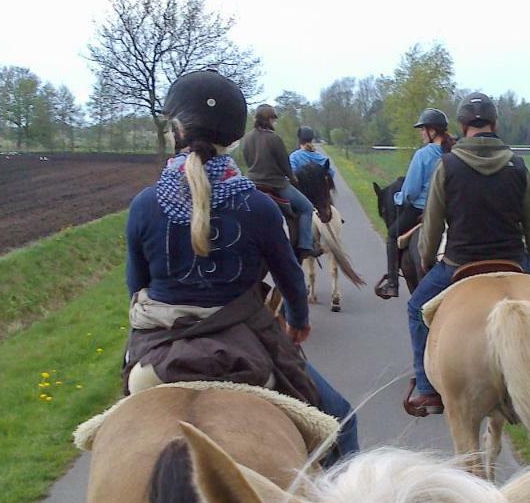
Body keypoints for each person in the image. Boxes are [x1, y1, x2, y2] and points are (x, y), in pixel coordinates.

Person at [124, 70, 357, 459]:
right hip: (245, 348)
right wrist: (298, 321)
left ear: (175, 129)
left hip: (156, 357)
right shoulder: (259, 207)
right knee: (343, 423)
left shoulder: (144, 205)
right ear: (233, 138)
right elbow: (289, 278)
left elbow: (136, 288)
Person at [403, 92, 530, 417]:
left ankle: (427, 389)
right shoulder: (518, 165)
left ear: (463, 125)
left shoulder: (447, 165)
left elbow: (433, 227)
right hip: (513, 259)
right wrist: (526, 259)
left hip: (458, 263)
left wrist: (426, 259)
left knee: (414, 309)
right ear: (494, 124)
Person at [374, 107, 455, 299]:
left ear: (432, 130)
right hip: (451, 209)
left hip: (421, 209)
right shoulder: (455, 151)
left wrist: (398, 198)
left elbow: (410, 192)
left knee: (393, 236)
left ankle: (392, 283)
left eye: (422, 129)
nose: (421, 133)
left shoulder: (424, 154)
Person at [239, 104, 318, 259]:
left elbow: (248, 161)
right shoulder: (274, 138)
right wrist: (294, 179)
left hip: (252, 183)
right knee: (307, 207)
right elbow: (285, 166)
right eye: (274, 120)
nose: (274, 123)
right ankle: (305, 246)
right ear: (269, 119)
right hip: (276, 184)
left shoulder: (246, 138)